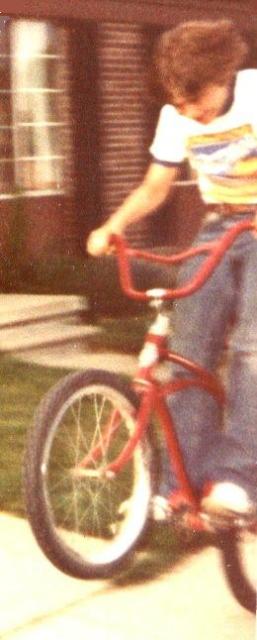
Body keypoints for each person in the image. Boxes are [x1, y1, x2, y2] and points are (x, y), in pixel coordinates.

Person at [87, 19, 257, 518]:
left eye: (194, 100)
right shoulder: (176, 116)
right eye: (178, 103)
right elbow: (155, 187)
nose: (188, 112)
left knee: (251, 347)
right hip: (218, 228)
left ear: (223, 76)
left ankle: (238, 479)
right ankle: (179, 484)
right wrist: (114, 225)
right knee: (188, 351)